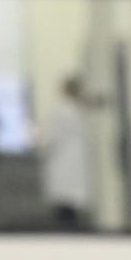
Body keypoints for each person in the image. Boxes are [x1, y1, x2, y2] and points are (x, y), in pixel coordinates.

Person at [39, 74, 94, 230]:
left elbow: (50, 138)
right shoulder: (75, 111)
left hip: (63, 161)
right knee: (68, 203)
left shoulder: (63, 111)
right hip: (69, 162)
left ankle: (66, 230)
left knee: (65, 204)